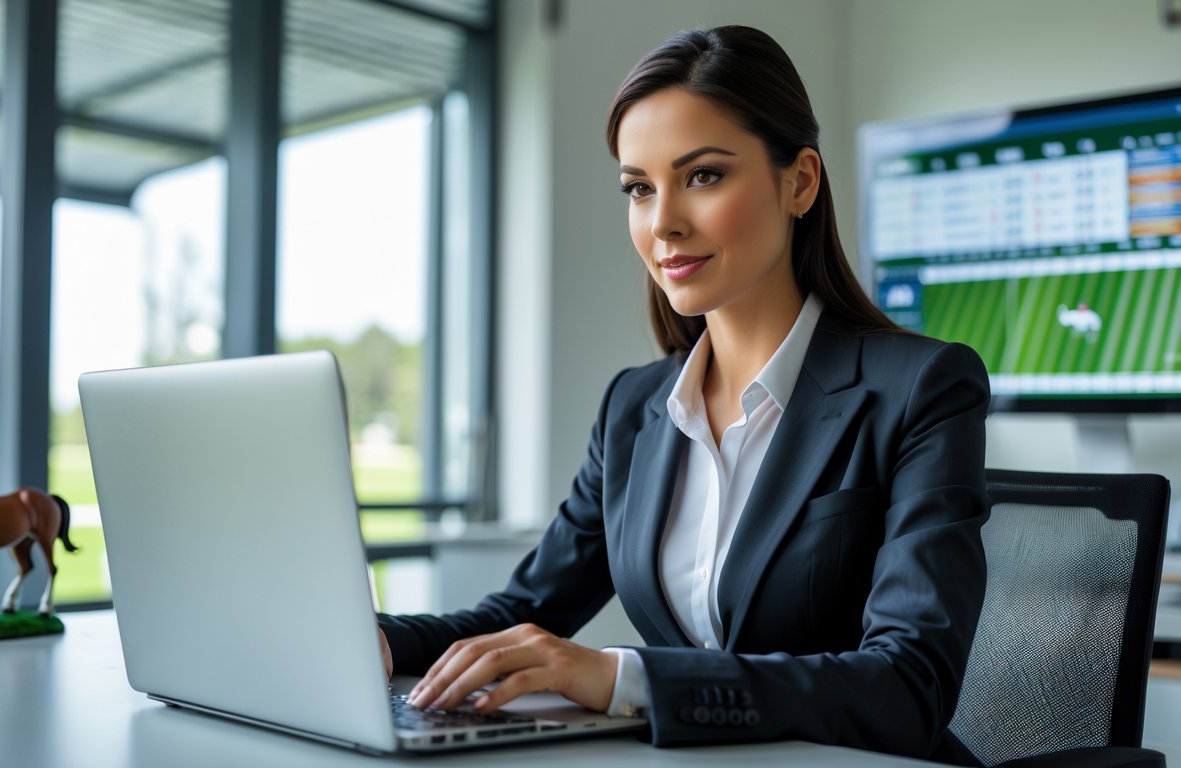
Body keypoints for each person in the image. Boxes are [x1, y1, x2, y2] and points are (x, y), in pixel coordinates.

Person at [376, 24, 990, 765]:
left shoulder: (921, 387)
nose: (661, 219)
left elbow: (907, 684)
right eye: (639, 187)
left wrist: (621, 677)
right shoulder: (634, 407)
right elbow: (522, 615)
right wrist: (373, 640)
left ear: (799, 181)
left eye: (702, 176)